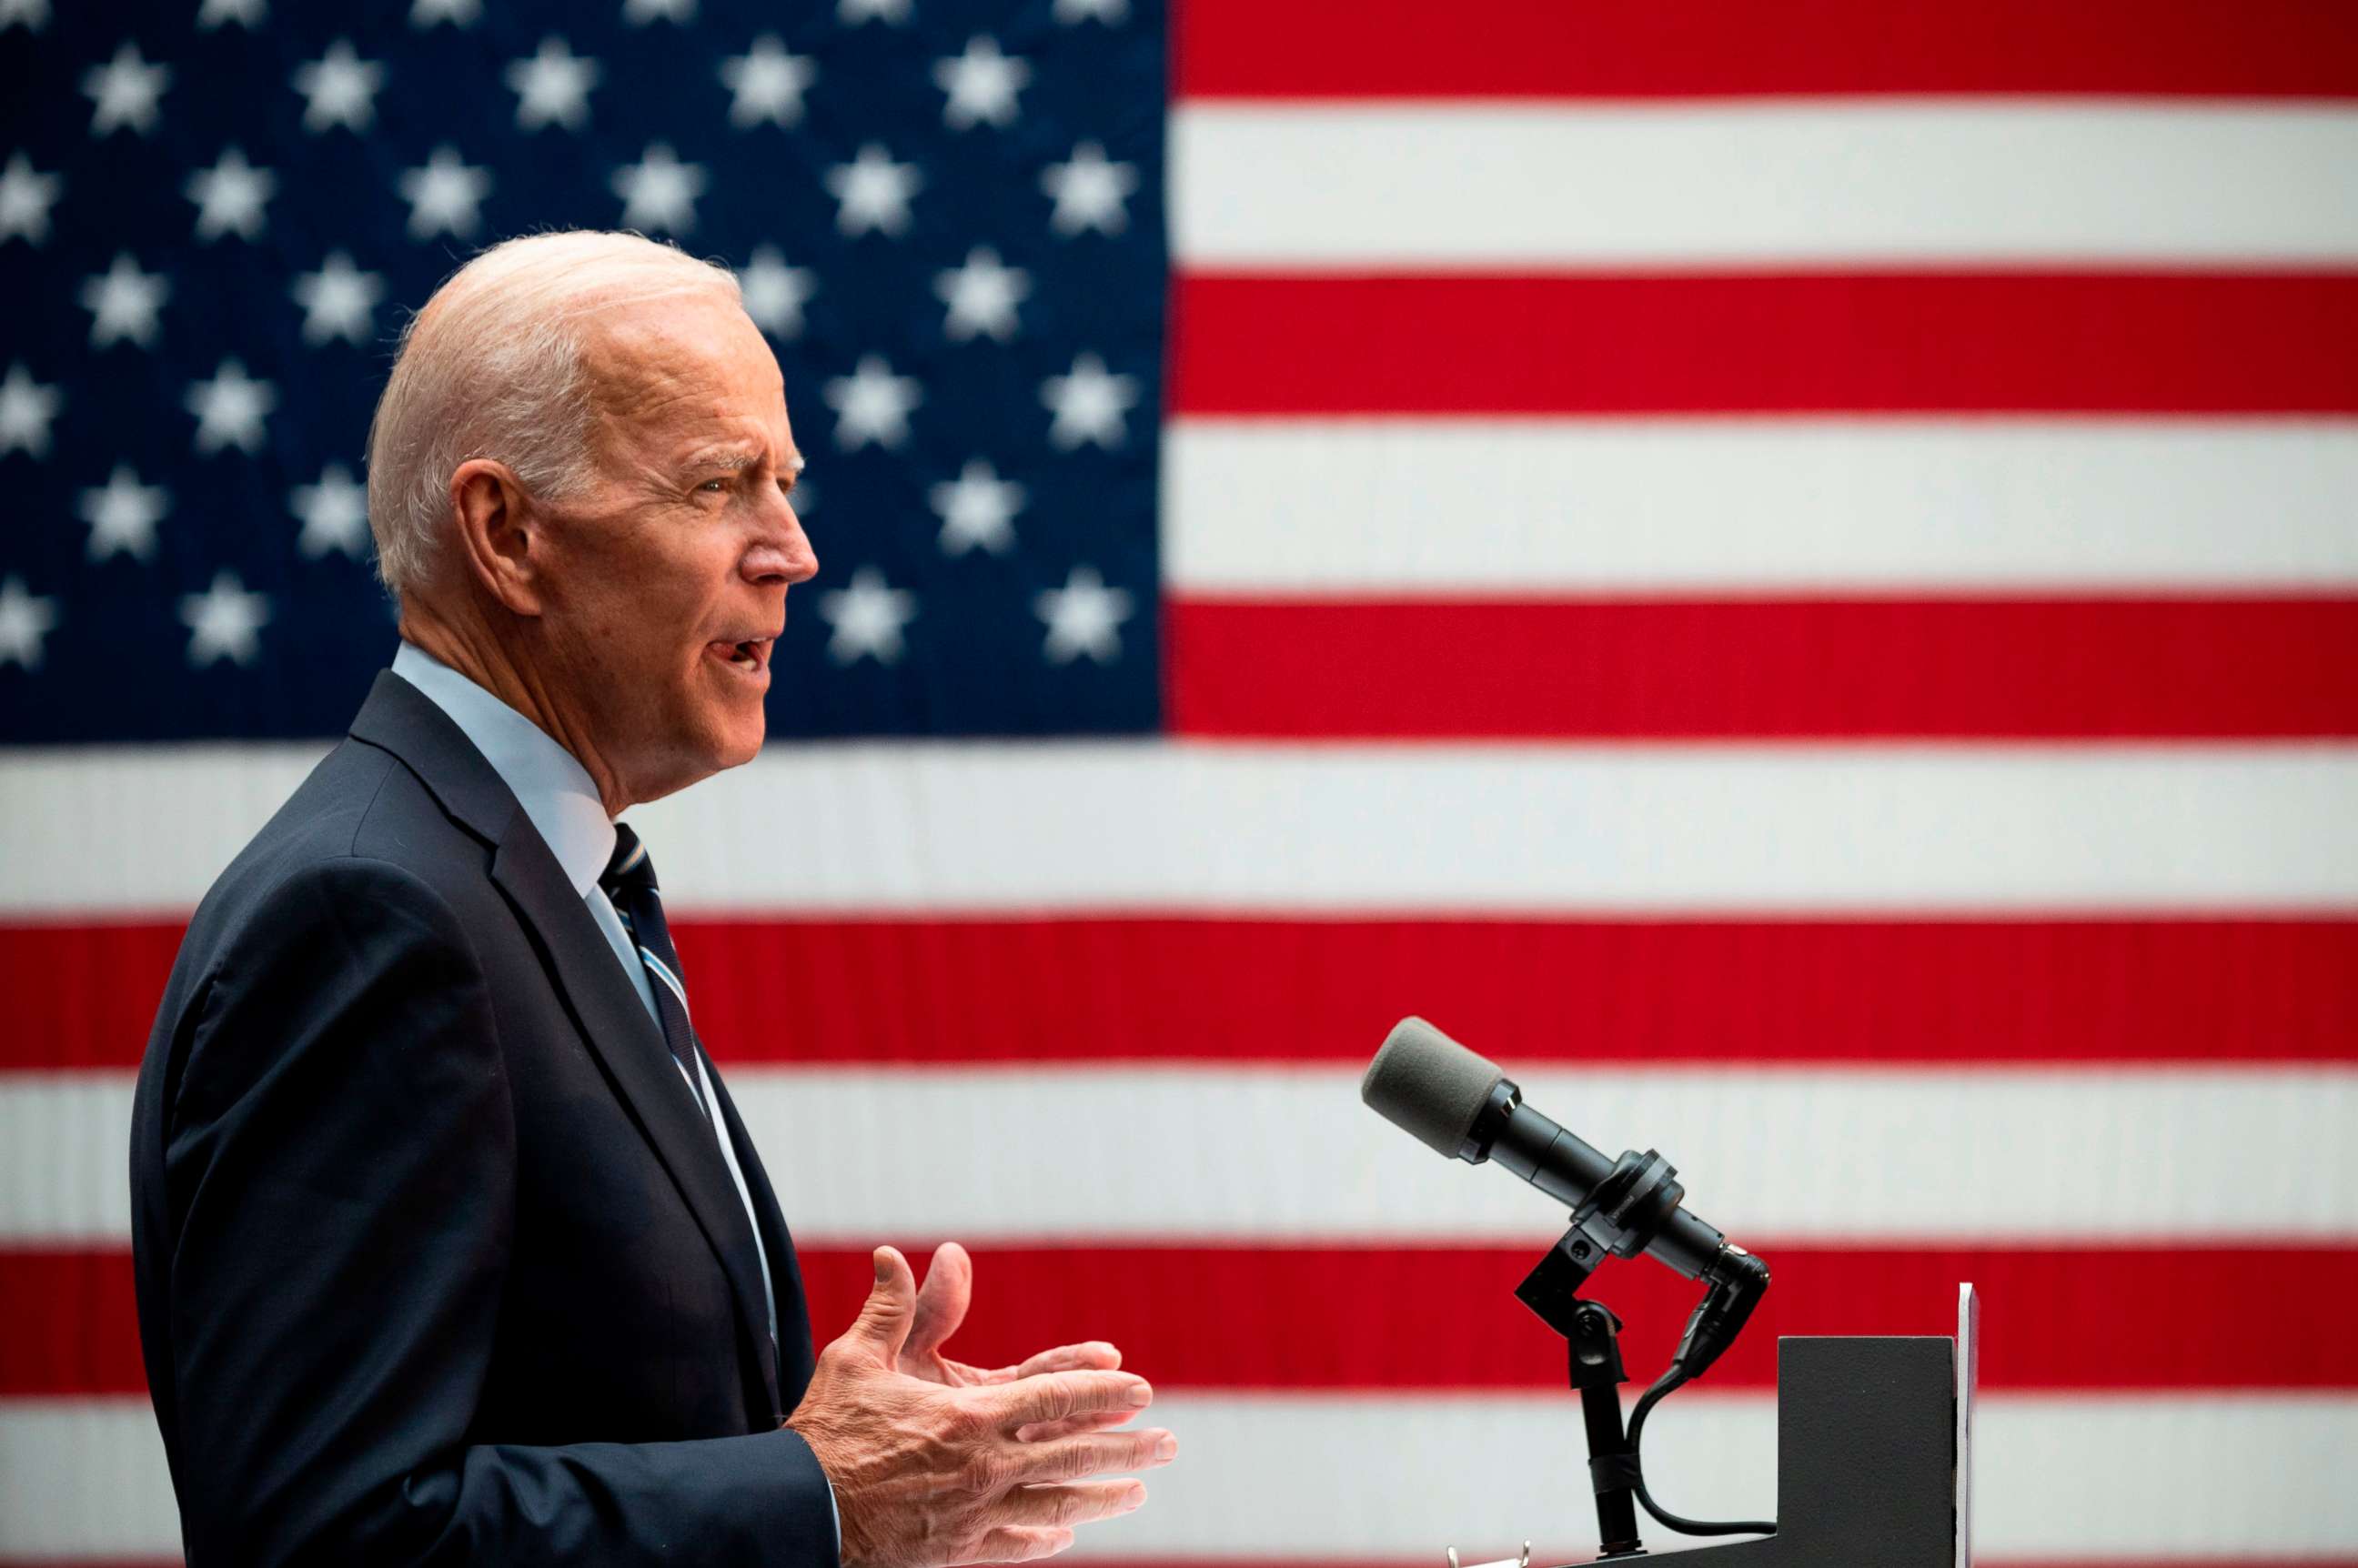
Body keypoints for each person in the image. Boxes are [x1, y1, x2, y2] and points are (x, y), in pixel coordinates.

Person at [127, 230, 1174, 1567]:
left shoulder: (539, 880)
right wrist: (816, 1498)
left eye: (786, 484)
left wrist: (817, 1444)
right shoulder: (368, 916)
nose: (792, 550)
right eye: (719, 485)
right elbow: (329, 1538)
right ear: (508, 535)